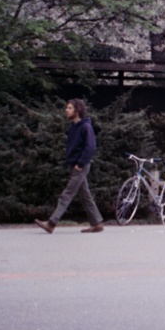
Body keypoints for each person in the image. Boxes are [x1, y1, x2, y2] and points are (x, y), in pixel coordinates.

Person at [35, 98, 104, 234]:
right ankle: (96, 223)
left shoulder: (86, 127)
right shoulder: (73, 127)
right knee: (85, 195)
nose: (66, 110)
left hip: (80, 166)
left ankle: (51, 223)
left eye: (70, 108)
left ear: (77, 110)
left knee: (66, 194)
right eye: (67, 108)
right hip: (74, 165)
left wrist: (80, 163)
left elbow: (90, 147)